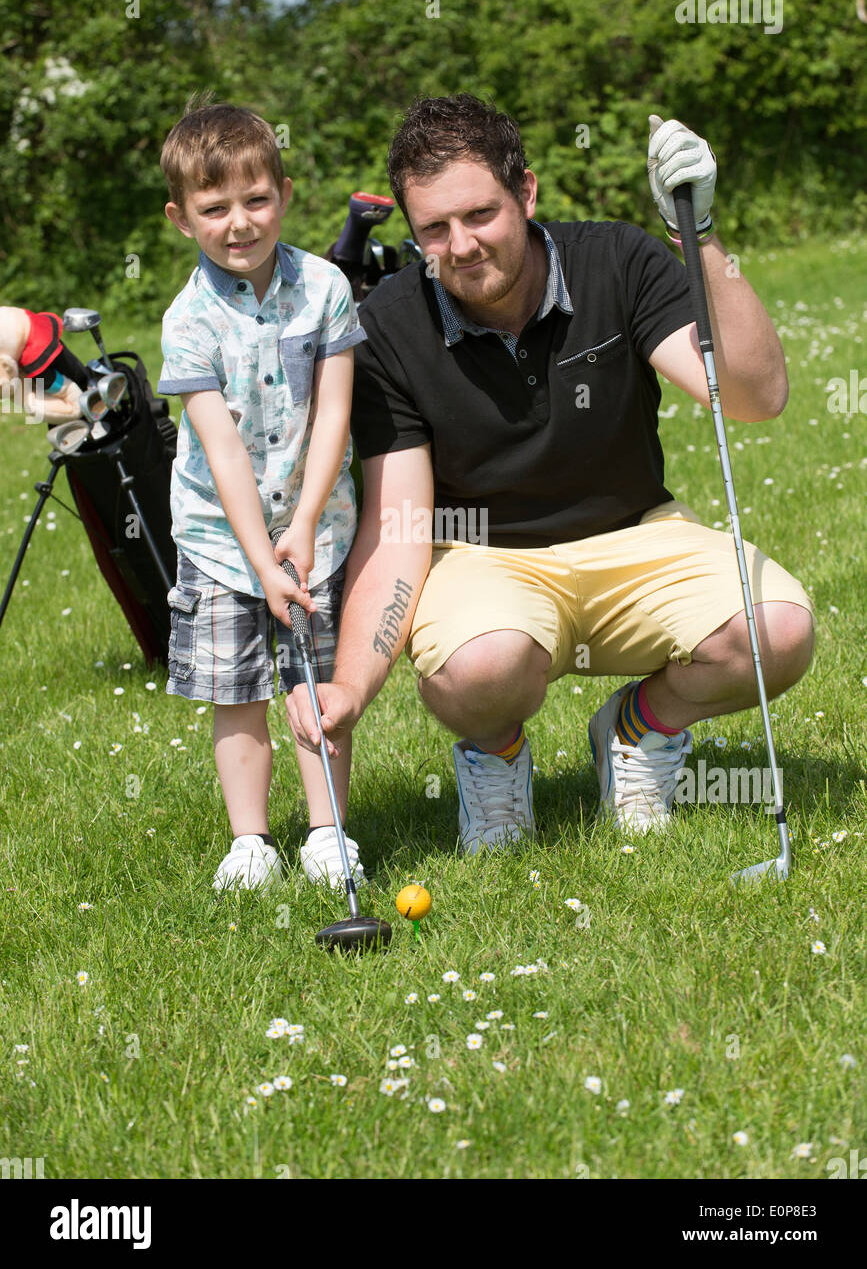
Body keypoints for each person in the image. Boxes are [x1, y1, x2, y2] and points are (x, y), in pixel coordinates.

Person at [285, 93, 815, 849]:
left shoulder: (616, 259)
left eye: (480, 215)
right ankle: (494, 757)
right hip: (482, 557)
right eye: (432, 229)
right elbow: (398, 526)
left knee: (779, 630)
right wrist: (350, 687)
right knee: (474, 670)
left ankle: (639, 731)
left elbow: (756, 397)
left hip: (635, 534)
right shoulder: (388, 326)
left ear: (525, 193)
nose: (460, 245)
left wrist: (696, 237)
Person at [158, 100, 367, 890]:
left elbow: (337, 412)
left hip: (320, 527)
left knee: (318, 684)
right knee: (234, 691)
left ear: (284, 191)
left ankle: (326, 832)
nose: (238, 223)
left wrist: (307, 523)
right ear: (182, 218)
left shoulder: (325, 286)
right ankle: (251, 840)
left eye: (255, 200)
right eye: (214, 209)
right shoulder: (188, 320)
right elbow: (220, 454)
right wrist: (260, 557)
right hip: (220, 540)